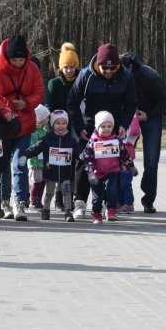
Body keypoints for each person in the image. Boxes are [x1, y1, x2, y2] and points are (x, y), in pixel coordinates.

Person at [66, 43, 136, 220]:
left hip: (113, 126)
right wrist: (80, 127)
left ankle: (108, 204)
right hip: (90, 126)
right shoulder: (86, 75)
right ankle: (80, 202)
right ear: (98, 63)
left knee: (111, 164)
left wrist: (123, 125)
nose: (109, 71)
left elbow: (130, 103)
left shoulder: (126, 76)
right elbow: (72, 102)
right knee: (84, 161)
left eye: (113, 68)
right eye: (105, 68)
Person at [0, 34, 44, 222]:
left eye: (21, 59)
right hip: (4, 126)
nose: (19, 63)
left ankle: (20, 202)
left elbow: (39, 93)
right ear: (8, 57)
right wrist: (8, 110)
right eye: (15, 60)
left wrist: (27, 103)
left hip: (26, 124)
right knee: (4, 165)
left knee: (20, 163)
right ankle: (5, 202)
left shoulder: (33, 69)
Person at [120, 51, 166, 213]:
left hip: (150, 117)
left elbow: (165, 99)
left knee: (151, 161)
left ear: (131, 67)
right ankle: (121, 199)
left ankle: (148, 199)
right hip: (128, 116)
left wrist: (149, 115)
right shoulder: (116, 75)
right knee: (119, 158)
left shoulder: (150, 76)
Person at [17, 110, 81, 221]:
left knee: (67, 193)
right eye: (58, 123)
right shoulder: (47, 138)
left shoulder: (71, 140)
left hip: (66, 173)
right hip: (51, 172)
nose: (61, 126)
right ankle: (46, 210)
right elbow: (36, 148)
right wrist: (26, 155)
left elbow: (78, 151)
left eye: (64, 123)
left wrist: (83, 155)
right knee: (49, 193)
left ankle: (68, 212)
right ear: (52, 125)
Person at [44, 42, 80, 210]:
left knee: (71, 162)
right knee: (57, 162)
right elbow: (50, 107)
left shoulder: (81, 81)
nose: (69, 70)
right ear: (61, 67)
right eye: (66, 67)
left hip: (75, 126)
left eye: (72, 67)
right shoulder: (54, 83)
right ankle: (57, 198)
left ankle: (70, 196)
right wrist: (52, 127)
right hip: (58, 126)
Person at [82, 111, 132, 224]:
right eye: (103, 126)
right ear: (97, 127)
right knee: (97, 196)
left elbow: (124, 153)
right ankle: (97, 214)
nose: (106, 129)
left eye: (109, 126)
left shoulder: (116, 141)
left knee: (112, 190)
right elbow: (86, 157)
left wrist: (130, 166)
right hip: (96, 173)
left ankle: (111, 211)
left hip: (112, 170)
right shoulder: (93, 141)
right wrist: (90, 172)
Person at [27, 104, 51, 210]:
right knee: (35, 183)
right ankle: (33, 201)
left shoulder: (43, 131)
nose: (48, 119)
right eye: (47, 117)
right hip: (36, 163)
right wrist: (33, 163)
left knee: (41, 183)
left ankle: (38, 200)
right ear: (40, 119)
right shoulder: (34, 133)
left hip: (42, 163)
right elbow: (32, 149)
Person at [118, 116, 141, 213]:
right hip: (116, 156)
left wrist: (134, 118)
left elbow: (135, 131)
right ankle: (120, 202)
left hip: (127, 158)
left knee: (125, 183)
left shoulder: (133, 120)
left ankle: (129, 204)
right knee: (117, 182)